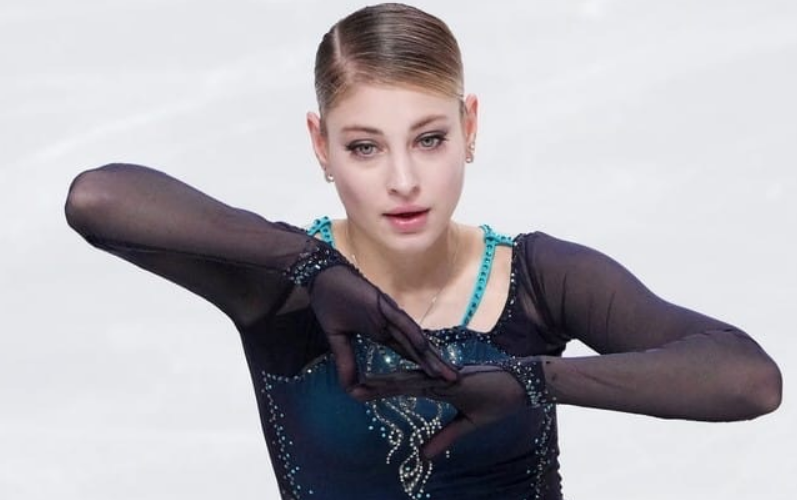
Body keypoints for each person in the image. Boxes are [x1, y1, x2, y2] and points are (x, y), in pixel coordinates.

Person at [64, 3, 781, 499]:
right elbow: (96, 198)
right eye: (365, 147)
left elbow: (747, 380)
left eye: (429, 139)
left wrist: (533, 379)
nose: (403, 180)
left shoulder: (536, 279)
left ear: (470, 128)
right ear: (320, 145)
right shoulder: (279, 287)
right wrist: (311, 266)